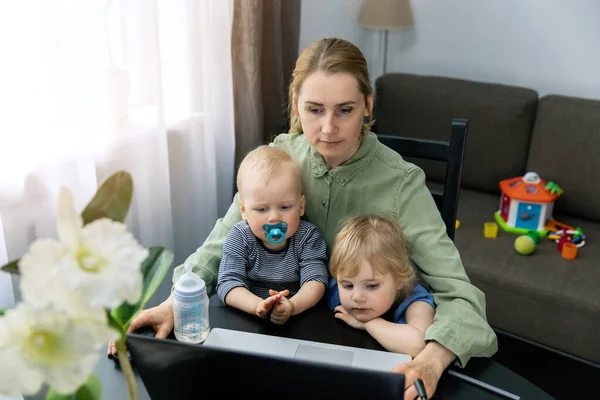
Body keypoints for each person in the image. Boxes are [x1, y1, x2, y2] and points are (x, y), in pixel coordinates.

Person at [110, 37, 497, 400]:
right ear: (296, 106)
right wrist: (174, 302)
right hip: (276, 332)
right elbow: (225, 238)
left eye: (345, 110)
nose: (328, 128)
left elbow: (461, 295)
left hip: (364, 344)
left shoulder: (403, 185)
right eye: (314, 110)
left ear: (368, 106)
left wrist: (432, 360)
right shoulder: (281, 156)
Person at [216, 145, 329, 324]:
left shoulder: (308, 237)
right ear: (244, 211)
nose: (274, 218)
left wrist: (292, 306)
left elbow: (316, 281)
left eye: (285, 207)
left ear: (301, 206)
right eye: (262, 209)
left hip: (298, 314)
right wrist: (259, 306)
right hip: (248, 315)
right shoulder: (239, 236)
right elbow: (227, 284)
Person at [326, 214, 435, 358]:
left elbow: (419, 345)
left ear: (399, 280)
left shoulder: (415, 301)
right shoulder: (334, 289)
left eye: (371, 286)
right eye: (347, 285)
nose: (357, 297)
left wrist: (368, 323)